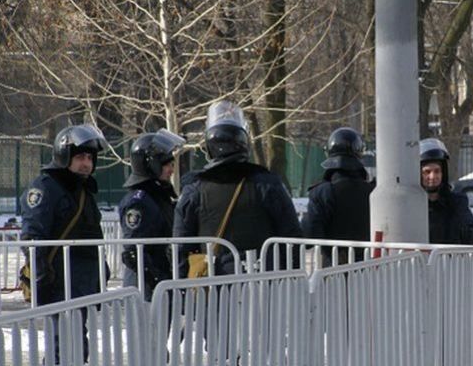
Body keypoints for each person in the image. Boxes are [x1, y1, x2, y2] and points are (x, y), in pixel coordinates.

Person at [173, 100, 302, 276]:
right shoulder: (266, 184)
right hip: (262, 283)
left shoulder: (194, 189)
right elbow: (292, 236)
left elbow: (180, 246)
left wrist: (181, 290)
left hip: (213, 286)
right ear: (243, 142)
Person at [20, 123, 109, 363]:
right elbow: (32, 236)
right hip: (58, 282)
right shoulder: (46, 187)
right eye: (80, 156)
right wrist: (41, 277)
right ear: (64, 155)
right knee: (62, 348)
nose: (86, 163)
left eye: (90, 157)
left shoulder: (82, 190)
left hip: (81, 283)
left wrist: (101, 272)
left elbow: (91, 234)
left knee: (78, 346)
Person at [119, 129, 185, 301]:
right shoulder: (139, 201)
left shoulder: (159, 196)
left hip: (161, 284)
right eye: (166, 164)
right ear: (151, 164)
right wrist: (156, 280)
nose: (171, 170)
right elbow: (133, 251)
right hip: (146, 289)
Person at [302, 127, 374, 264]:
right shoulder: (373, 192)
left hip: (333, 270)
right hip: (368, 271)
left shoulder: (322, 192)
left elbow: (309, 236)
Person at [420, 138, 473, 245]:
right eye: (427, 172)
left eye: (437, 171)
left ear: (443, 173)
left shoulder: (456, 202)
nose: (432, 176)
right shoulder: (412, 205)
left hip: (451, 260)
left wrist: (466, 233)